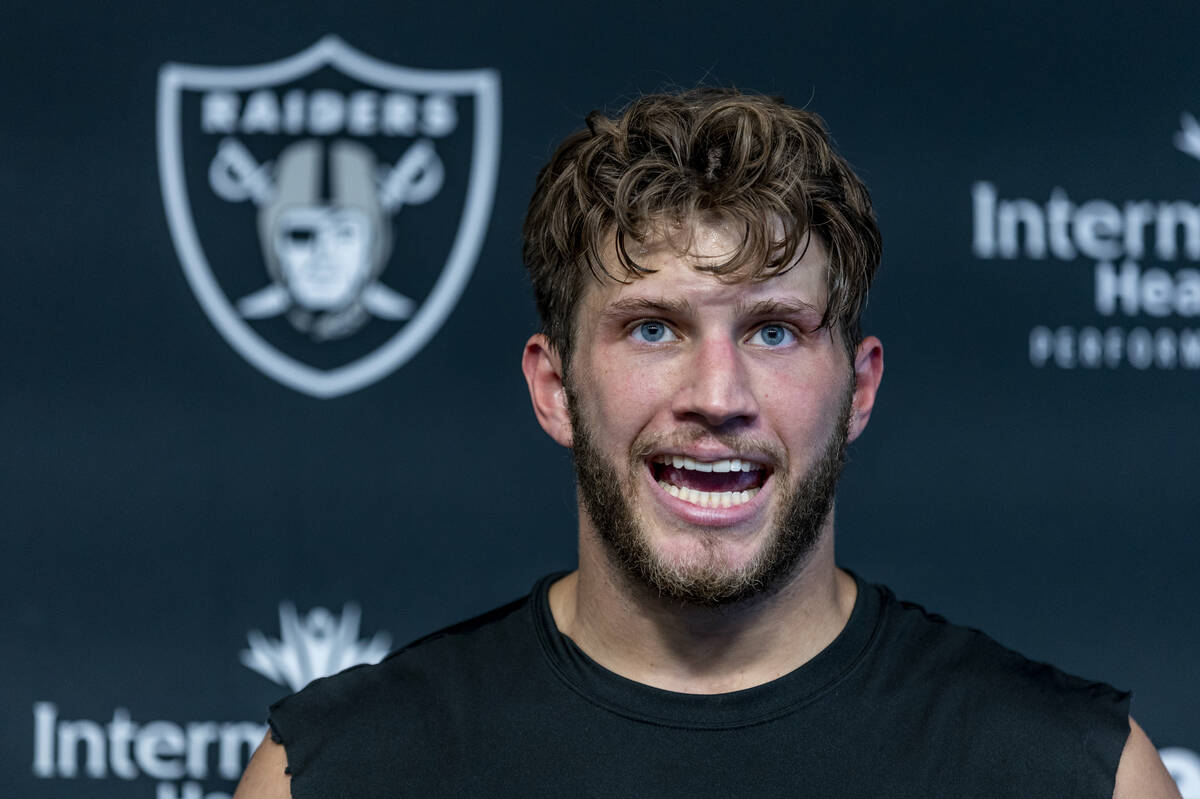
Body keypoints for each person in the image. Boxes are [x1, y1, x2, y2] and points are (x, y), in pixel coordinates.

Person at [234, 88, 1180, 798]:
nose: (718, 396)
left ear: (860, 389)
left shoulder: (1074, 777)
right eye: (653, 328)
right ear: (554, 388)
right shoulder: (336, 775)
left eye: (774, 330)